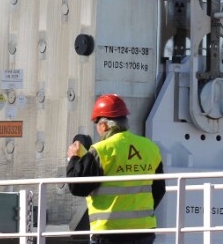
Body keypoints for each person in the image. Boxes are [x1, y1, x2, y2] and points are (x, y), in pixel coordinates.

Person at [67, 94, 166, 244]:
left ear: (104, 125)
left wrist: (73, 158)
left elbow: (77, 187)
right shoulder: (150, 148)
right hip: (144, 232)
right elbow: (159, 189)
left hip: (109, 233)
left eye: (97, 125)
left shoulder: (102, 150)